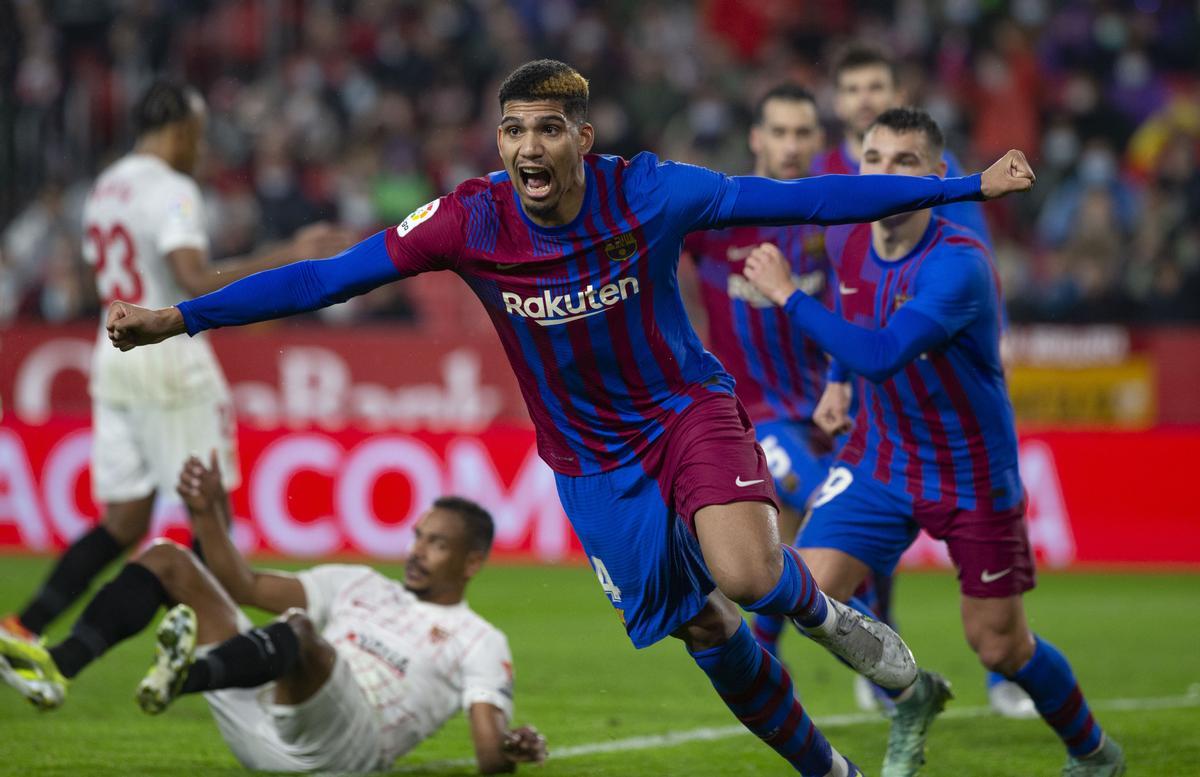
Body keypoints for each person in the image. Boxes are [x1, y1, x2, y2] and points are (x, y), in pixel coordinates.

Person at [99, 60, 1034, 776]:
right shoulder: (469, 220)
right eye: (513, 131)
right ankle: (829, 767)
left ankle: (877, 655)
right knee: (707, 632)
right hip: (591, 464)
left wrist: (964, 189)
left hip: (685, 412)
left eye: (549, 129)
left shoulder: (650, 192)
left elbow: (811, 199)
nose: (528, 148)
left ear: (582, 137)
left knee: (748, 573)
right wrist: (180, 316)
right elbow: (324, 277)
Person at [743, 107, 1124, 777]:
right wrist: (835, 382)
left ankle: (1094, 752)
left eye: (905, 161)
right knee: (809, 591)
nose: (886, 175)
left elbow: (886, 351)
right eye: (874, 159)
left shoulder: (959, 267)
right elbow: (857, 312)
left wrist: (785, 298)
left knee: (999, 644)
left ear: (938, 176)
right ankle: (910, 692)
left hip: (971, 472)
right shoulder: (848, 241)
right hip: (880, 456)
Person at [0, 80, 352, 646]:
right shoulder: (174, 191)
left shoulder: (105, 186)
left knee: (123, 523)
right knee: (209, 513)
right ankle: (203, 647)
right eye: (200, 134)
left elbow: (99, 278)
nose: (202, 146)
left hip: (110, 356)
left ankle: (23, 628)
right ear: (182, 129)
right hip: (169, 358)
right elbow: (192, 278)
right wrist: (292, 254)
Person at [0, 454, 546, 774]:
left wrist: (509, 749)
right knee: (168, 557)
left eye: (438, 544)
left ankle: (182, 677)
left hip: (342, 749)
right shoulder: (358, 581)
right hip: (264, 712)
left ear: (472, 562)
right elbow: (242, 584)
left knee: (302, 632)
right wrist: (207, 512)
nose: (417, 551)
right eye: (417, 537)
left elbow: (486, 753)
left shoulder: (480, 639)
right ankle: (57, 666)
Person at [814, 43, 1033, 718]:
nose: (864, 98)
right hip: (877, 405)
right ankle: (891, 662)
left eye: (876, 85)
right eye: (852, 88)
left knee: (988, 611)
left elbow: (969, 274)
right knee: (840, 557)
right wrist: (837, 378)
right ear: (841, 102)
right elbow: (850, 292)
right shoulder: (838, 182)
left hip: (944, 390)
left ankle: (1003, 672)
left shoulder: (951, 186)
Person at [681, 83, 836, 658]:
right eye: (779, 131)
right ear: (756, 138)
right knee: (831, 513)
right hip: (756, 415)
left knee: (803, 558)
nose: (790, 145)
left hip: (834, 407)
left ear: (819, 139)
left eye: (802, 132)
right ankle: (895, 678)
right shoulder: (717, 214)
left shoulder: (831, 220)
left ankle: (766, 666)